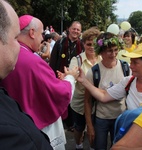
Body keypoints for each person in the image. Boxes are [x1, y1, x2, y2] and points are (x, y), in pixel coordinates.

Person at [0, 14, 79, 150]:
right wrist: (70, 77)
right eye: (41, 33)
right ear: (32, 33)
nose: (43, 38)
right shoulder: (32, 61)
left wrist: (53, 80)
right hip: (37, 127)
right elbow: (58, 92)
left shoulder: (11, 55)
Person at [0, 0, 53, 149]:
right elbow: (53, 90)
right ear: (32, 32)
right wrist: (69, 80)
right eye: (15, 38)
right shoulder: (17, 135)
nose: (43, 37)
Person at [84, 32, 129, 150]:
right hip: (101, 119)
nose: (113, 54)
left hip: (121, 117)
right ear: (101, 52)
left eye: (115, 50)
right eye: (109, 51)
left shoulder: (126, 68)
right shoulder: (93, 72)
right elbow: (87, 101)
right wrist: (89, 126)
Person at [77, 42, 142, 110]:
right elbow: (104, 95)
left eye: (135, 63)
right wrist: (84, 81)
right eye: (131, 61)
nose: (131, 66)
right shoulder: (128, 82)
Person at [69, 27, 102, 150]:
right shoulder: (77, 60)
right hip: (80, 103)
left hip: (97, 102)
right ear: (83, 44)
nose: (92, 47)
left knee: (94, 127)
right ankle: (78, 145)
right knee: (79, 128)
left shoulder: (102, 59)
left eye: (94, 44)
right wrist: (70, 76)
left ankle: (93, 146)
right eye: (88, 44)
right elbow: (72, 74)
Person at [50, 21, 84, 130]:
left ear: (80, 32)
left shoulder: (82, 45)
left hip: (75, 77)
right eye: (74, 29)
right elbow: (53, 60)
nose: (75, 31)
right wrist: (53, 74)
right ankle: (63, 121)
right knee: (61, 99)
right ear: (69, 29)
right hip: (60, 76)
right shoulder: (60, 42)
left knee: (73, 100)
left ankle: (72, 123)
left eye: (78, 29)